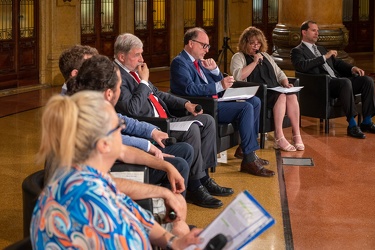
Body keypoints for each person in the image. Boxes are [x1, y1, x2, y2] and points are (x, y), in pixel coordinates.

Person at [30, 91, 202, 249]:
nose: (122, 129)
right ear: (104, 145)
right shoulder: (90, 205)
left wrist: (173, 241)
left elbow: (136, 215)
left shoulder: (83, 175)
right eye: (118, 126)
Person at [114, 33, 234, 209]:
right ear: (121, 56)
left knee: (206, 120)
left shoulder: (134, 71)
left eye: (141, 53)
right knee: (192, 128)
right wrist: (144, 82)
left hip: (167, 117)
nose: (142, 59)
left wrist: (186, 104)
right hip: (154, 125)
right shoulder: (117, 76)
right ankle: (195, 186)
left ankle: (204, 178)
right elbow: (131, 109)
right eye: (137, 55)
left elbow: (159, 94)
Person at [170, 27, 275, 178]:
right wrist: (219, 85)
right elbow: (189, 89)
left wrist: (214, 71)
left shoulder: (199, 62)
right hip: (204, 106)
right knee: (245, 107)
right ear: (191, 43)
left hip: (217, 100)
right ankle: (249, 159)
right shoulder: (180, 63)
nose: (206, 50)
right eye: (203, 45)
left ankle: (246, 150)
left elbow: (217, 82)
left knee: (255, 101)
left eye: (208, 46)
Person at [291, 20, 375, 139]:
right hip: (322, 85)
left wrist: (352, 68)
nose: (317, 33)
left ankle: (367, 121)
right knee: (345, 82)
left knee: (367, 81)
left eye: (318, 31)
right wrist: (324, 57)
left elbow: (337, 63)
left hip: (338, 82)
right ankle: (352, 125)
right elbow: (302, 66)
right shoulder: (297, 51)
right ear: (304, 32)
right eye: (313, 30)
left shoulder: (321, 48)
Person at [230, 26, 304, 151]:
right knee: (280, 96)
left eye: (258, 43)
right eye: (252, 43)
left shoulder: (266, 56)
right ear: (245, 43)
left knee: (291, 95)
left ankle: (296, 135)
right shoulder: (238, 57)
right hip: (256, 94)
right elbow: (238, 76)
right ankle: (278, 136)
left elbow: (279, 73)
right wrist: (254, 62)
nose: (255, 46)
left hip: (273, 89)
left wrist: (285, 83)